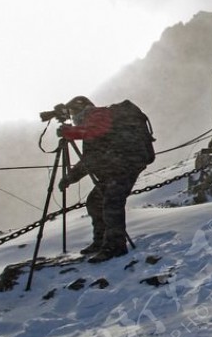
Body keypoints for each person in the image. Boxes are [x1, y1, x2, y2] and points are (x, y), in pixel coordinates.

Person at [57, 96, 152, 263]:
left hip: (126, 165)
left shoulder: (97, 114)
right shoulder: (92, 121)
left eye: (73, 113)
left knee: (111, 203)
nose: (73, 118)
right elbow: (90, 158)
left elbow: (96, 132)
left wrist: (70, 132)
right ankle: (101, 241)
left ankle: (115, 247)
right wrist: (70, 178)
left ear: (82, 109)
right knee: (95, 201)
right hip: (116, 166)